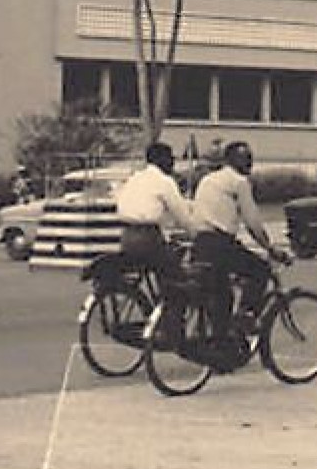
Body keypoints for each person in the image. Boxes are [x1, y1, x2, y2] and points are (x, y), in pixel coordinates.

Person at [191, 141, 291, 330]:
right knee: (260, 269)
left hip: (200, 243)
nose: (248, 164)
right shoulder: (239, 182)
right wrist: (270, 248)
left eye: (249, 159)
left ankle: (221, 338)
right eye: (244, 159)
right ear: (231, 161)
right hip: (221, 244)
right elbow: (252, 222)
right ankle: (246, 315)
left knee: (221, 293)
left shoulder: (208, 180)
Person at [116, 141, 199, 280]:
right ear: (161, 160)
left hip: (126, 237)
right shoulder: (164, 181)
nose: (172, 162)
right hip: (148, 238)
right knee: (177, 275)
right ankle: (172, 300)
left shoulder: (134, 178)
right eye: (170, 158)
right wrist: (196, 234)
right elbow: (182, 214)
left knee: (164, 265)